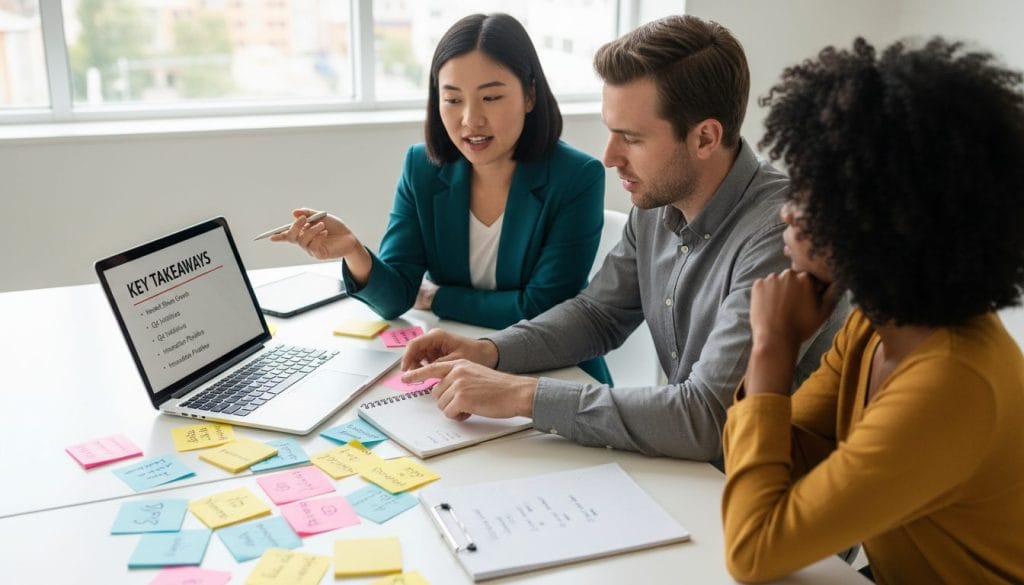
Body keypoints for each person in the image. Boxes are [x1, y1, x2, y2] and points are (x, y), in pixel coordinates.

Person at [400, 15, 848, 460]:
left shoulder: (783, 236)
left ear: (705, 137)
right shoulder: (658, 200)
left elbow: (709, 418)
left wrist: (523, 396)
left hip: (769, 494)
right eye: (610, 131)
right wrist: (489, 351)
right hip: (695, 474)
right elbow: (598, 315)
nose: (610, 157)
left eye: (630, 138)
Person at [721, 38, 1024, 584]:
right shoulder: (874, 324)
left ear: (881, 218)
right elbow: (777, 464)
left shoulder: (952, 381)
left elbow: (755, 548)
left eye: (811, 196)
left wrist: (772, 347)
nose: (787, 211)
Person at [273, 13, 610, 382]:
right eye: (452, 99)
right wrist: (355, 251)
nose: (470, 119)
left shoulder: (577, 177)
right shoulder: (423, 167)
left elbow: (541, 309)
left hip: (553, 371)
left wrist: (436, 298)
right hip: (454, 364)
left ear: (530, 94)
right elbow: (396, 298)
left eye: (492, 97)